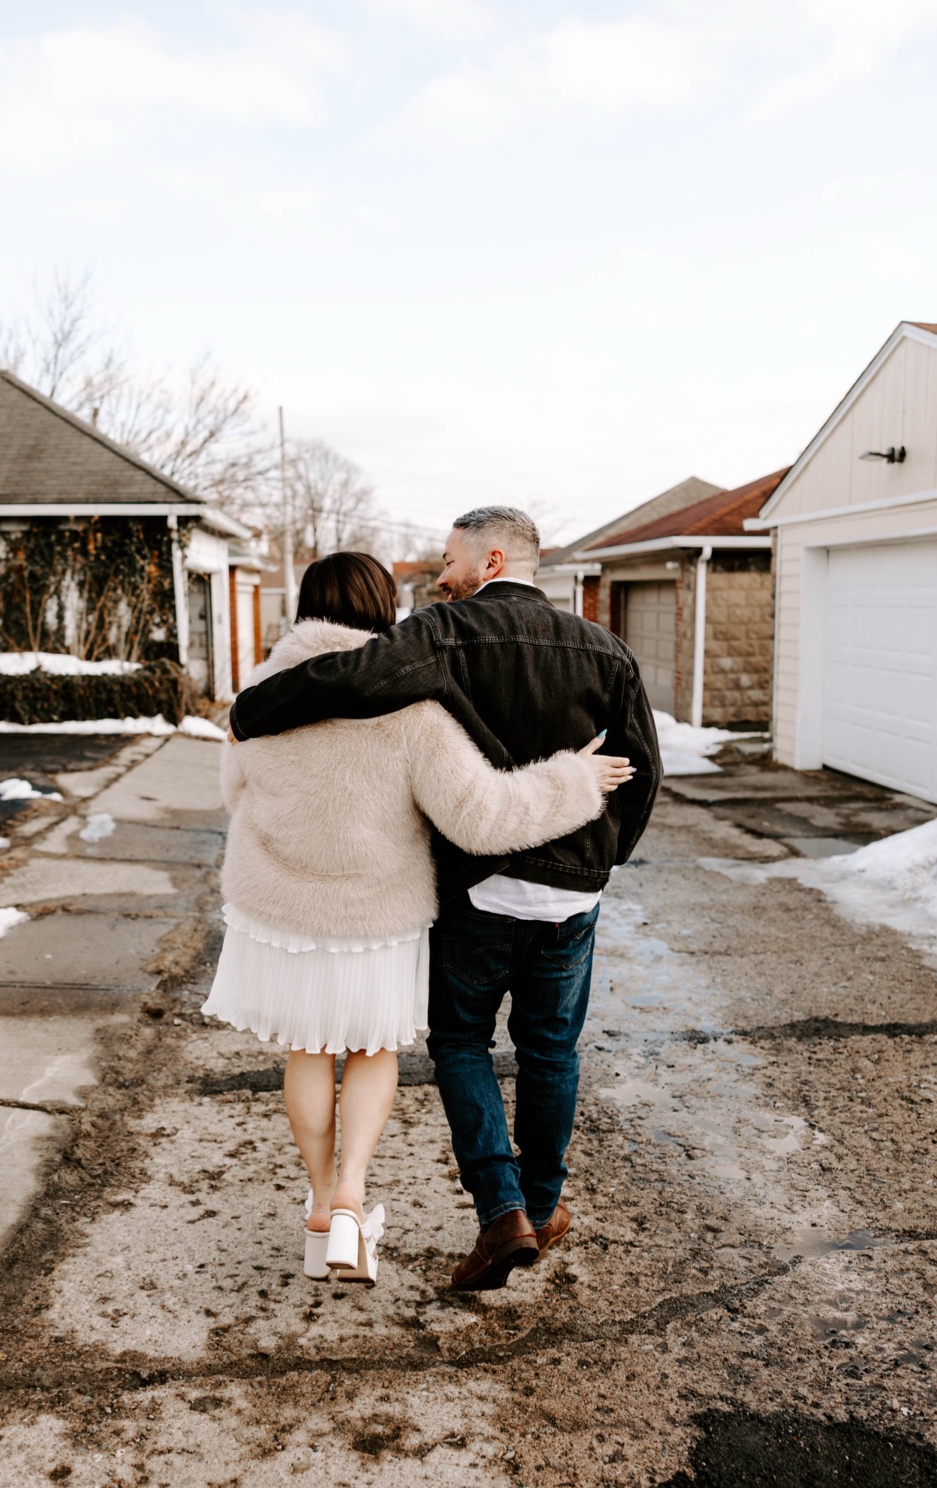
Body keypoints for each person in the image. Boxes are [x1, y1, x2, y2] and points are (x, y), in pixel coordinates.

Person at [231, 510, 660, 1290]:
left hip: (470, 890)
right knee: (550, 1051)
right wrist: (601, 857)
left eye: (449, 558)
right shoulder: (607, 648)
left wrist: (250, 709)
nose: (439, 572)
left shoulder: (438, 637)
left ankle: (482, 1211)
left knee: (455, 1044)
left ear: (491, 559)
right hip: (559, 895)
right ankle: (537, 1204)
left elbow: (344, 680)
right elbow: (641, 769)